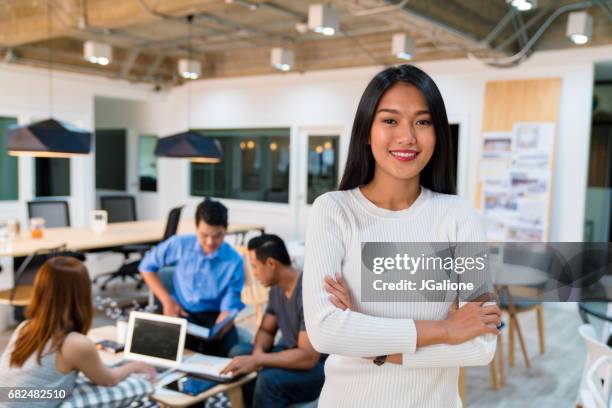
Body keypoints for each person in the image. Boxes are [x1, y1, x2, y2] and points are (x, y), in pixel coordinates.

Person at [302, 64, 502, 408]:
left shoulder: (458, 216)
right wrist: (446, 329)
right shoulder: (333, 210)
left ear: (437, 133)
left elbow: (482, 346)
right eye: (390, 120)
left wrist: (374, 347)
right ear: (366, 130)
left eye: (422, 122)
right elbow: (325, 331)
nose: (407, 136)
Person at [0, 257, 155, 407]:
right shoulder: (74, 343)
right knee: (133, 388)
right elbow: (109, 380)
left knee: (67, 388)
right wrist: (134, 366)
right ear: (81, 294)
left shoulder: (25, 327)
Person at [221, 234, 324, 408]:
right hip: (291, 352)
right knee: (237, 352)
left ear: (271, 263)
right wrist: (258, 353)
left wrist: (258, 360)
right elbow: (266, 330)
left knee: (268, 379)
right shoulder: (277, 289)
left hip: (317, 369)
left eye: (254, 267)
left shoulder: (308, 292)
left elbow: (308, 357)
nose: (253, 274)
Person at [139, 198, 244, 357]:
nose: (210, 242)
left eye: (217, 236)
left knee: (232, 353)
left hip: (214, 316)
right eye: (204, 235)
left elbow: (230, 303)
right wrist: (167, 300)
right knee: (176, 351)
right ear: (196, 228)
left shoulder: (234, 260)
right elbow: (146, 266)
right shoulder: (180, 244)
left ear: (225, 230)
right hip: (183, 312)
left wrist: (225, 320)